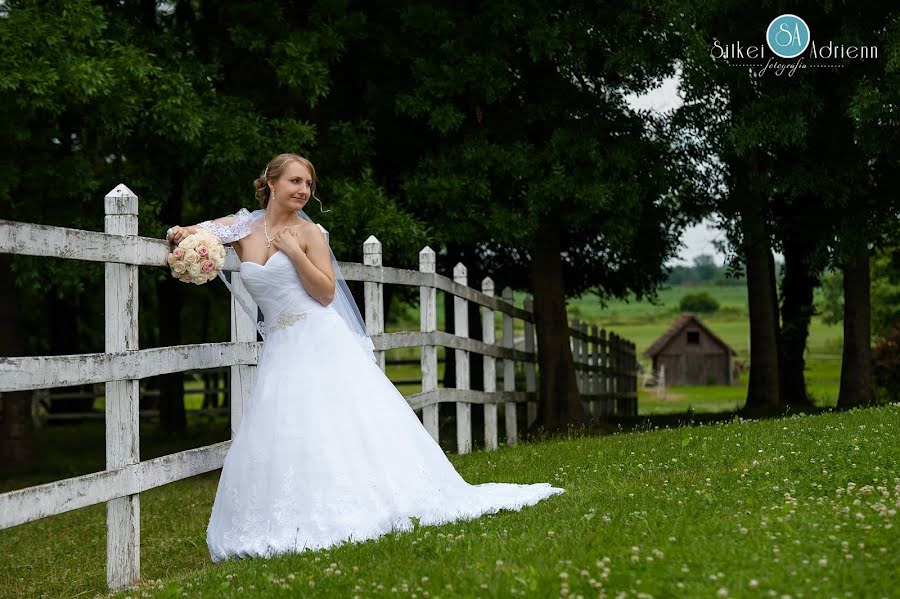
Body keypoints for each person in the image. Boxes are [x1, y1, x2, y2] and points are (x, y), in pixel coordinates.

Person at [167, 153, 564, 563]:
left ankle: (361, 503)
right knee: (286, 425)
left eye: (308, 184)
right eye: (296, 182)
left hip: (318, 337)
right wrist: (182, 236)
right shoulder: (244, 227)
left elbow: (325, 293)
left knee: (338, 423)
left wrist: (295, 253)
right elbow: (200, 232)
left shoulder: (310, 233)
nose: (303, 190)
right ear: (271, 183)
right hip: (281, 347)